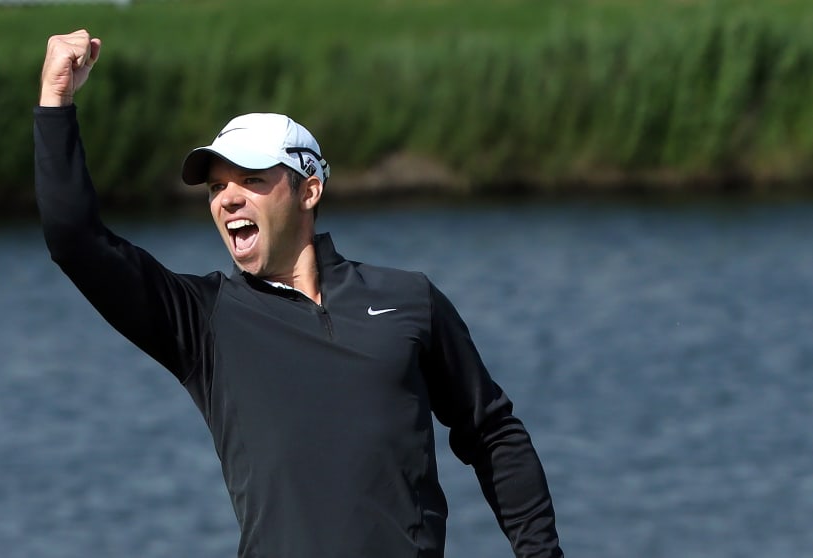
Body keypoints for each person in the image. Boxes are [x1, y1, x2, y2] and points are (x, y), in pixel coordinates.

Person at [34, 29, 563, 558]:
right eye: (218, 187)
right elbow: (76, 241)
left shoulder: (408, 300)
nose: (228, 199)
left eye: (251, 178)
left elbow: (493, 434)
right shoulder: (205, 321)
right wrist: (56, 98)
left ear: (309, 188)